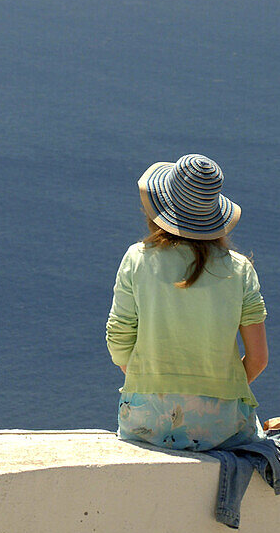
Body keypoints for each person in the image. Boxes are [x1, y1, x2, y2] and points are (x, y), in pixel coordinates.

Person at [106, 153, 269, 452]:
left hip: (146, 419)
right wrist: (220, 391)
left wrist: (149, 380)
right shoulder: (241, 268)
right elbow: (258, 359)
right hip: (222, 424)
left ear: (158, 206)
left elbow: (118, 339)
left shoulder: (137, 259)